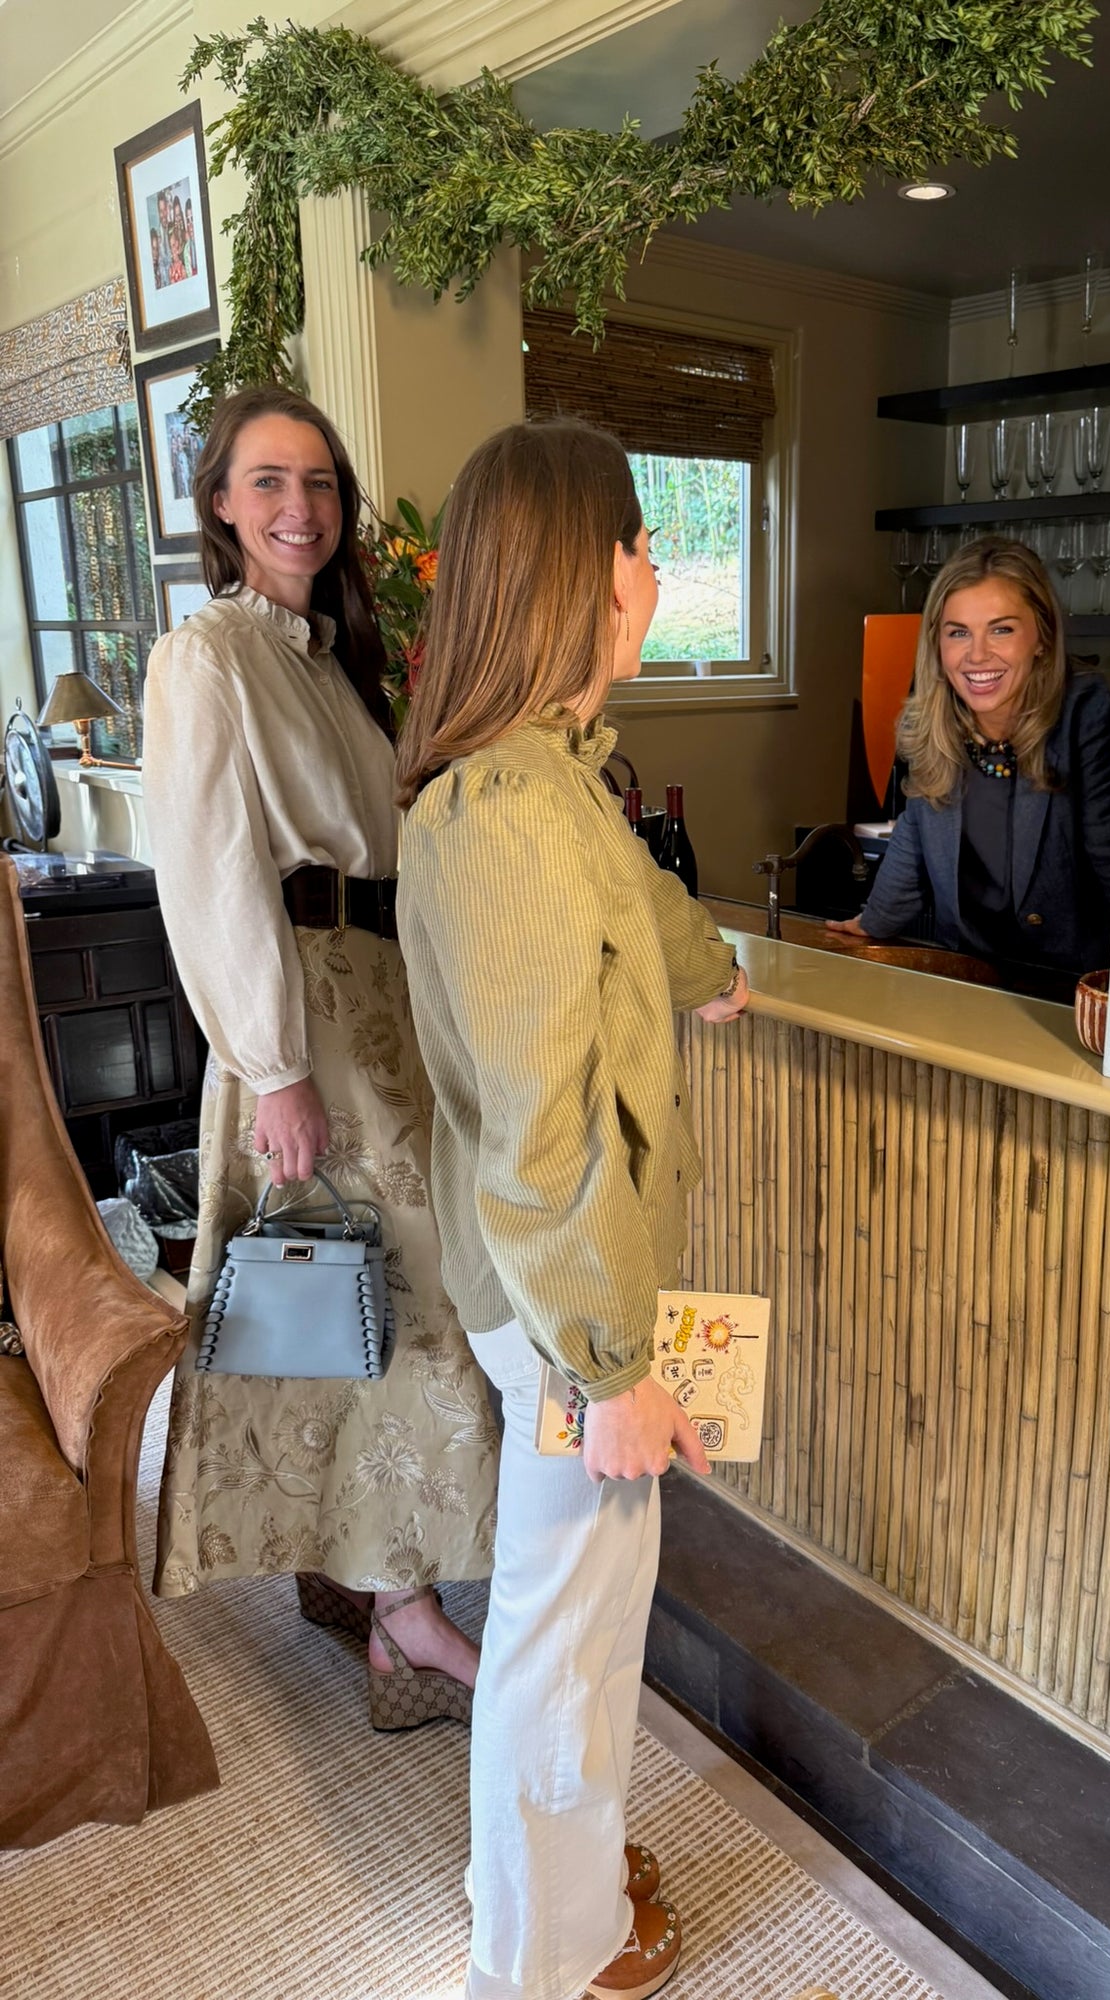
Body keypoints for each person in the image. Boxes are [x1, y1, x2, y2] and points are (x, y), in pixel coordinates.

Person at [394, 419, 750, 2000]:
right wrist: (608, 1368)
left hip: (568, 1301)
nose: (655, 573)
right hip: (563, 1313)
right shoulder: (508, 813)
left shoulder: (551, 781)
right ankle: (543, 1962)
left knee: (593, 1613)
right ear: (587, 575)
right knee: (563, 1634)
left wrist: (708, 967)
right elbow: (541, 1143)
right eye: (642, 546)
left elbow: (634, 907)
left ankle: (568, 1895)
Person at [144, 384, 498, 1728]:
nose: (302, 507)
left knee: (398, 1306)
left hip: (382, 1001)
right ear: (222, 505)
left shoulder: (329, 659)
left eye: (320, 483)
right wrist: (274, 1064)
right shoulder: (207, 659)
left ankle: (398, 1598)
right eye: (270, 482)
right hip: (308, 1021)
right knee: (373, 1309)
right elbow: (210, 873)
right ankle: (403, 1610)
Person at [830, 537, 1110, 979]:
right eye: (958, 632)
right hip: (967, 971)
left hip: (1065, 979)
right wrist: (874, 922)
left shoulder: (1085, 710)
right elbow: (916, 828)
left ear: (1042, 638)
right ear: (937, 644)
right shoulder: (929, 719)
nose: (977, 655)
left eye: (1001, 630)